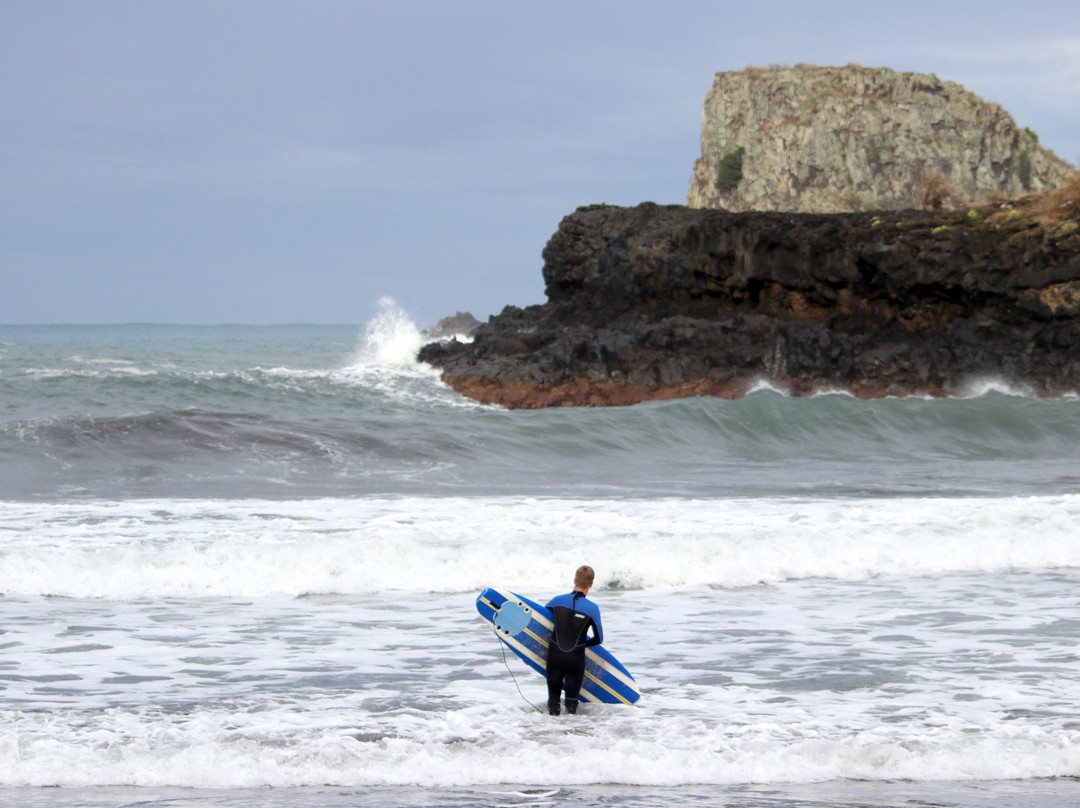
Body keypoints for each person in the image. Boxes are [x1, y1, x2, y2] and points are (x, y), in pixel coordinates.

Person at [544, 565, 603, 715]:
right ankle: (571, 736)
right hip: (575, 659)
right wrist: (582, 644)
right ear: (591, 584)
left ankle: (549, 733)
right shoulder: (592, 608)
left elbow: (541, 624)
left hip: (554, 657)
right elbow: (599, 639)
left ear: (574, 580)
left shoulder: (556, 601)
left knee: (553, 703)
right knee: (571, 707)